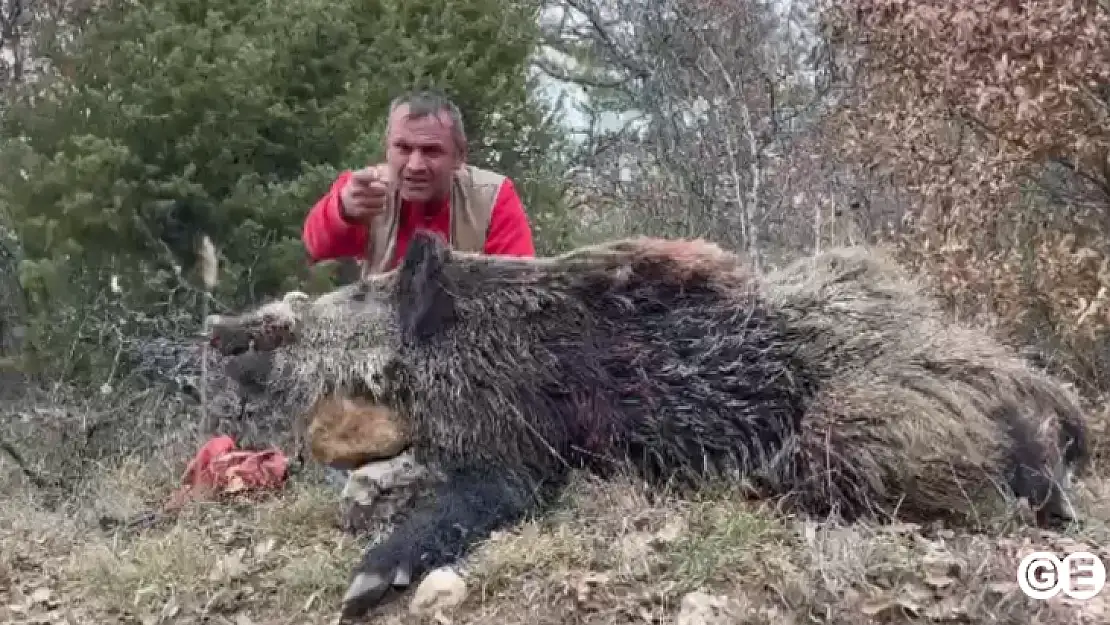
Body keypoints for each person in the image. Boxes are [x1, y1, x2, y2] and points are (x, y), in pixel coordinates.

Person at [302, 90, 536, 276]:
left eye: (431, 151)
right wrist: (342, 211)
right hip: (381, 329)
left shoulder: (493, 196)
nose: (415, 165)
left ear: (460, 156)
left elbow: (518, 285)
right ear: (387, 149)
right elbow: (316, 248)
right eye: (403, 148)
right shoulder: (365, 190)